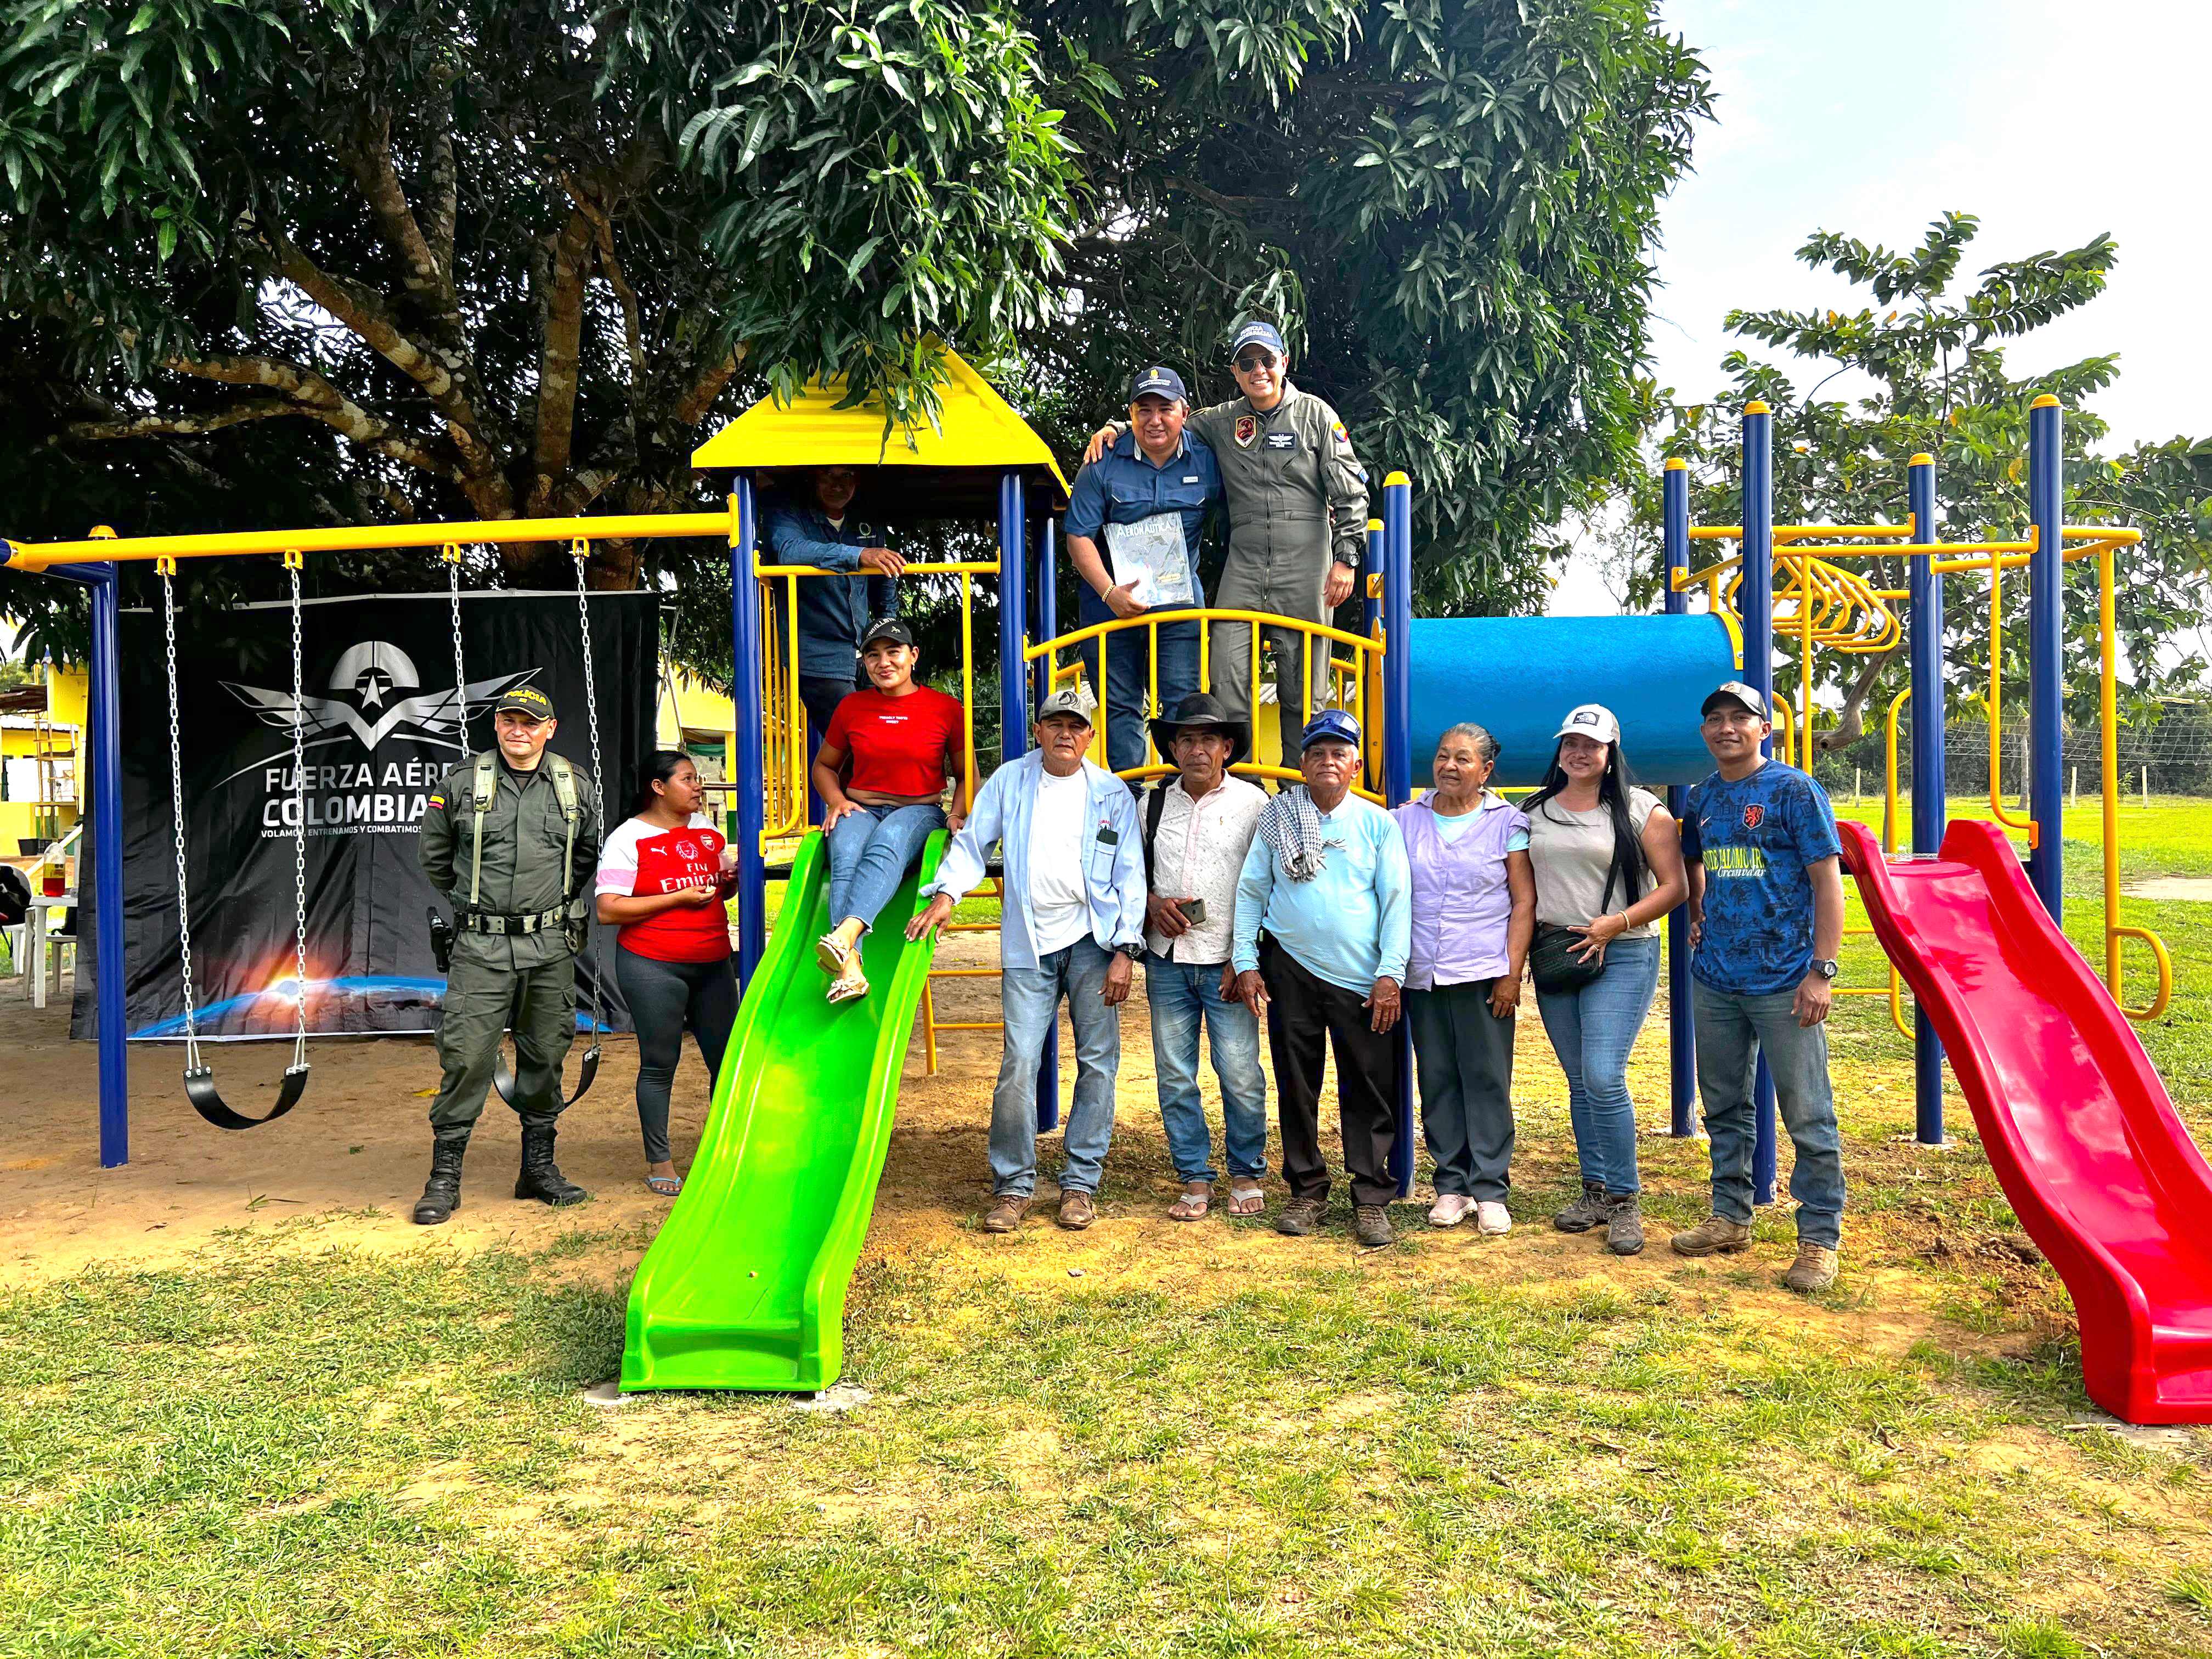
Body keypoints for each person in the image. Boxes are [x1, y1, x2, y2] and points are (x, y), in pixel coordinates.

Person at [907, 687, 1148, 1233]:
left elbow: (1130, 876)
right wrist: (947, 895)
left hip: (1094, 941)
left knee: (1099, 1061)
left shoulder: (1112, 794)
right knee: (1019, 1062)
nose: (1066, 733)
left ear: (1090, 737)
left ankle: (1080, 1184)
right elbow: (972, 847)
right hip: (1029, 943)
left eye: (1077, 726)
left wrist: (1125, 950)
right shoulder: (1010, 781)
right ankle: (1013, 1185)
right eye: (1055, 723)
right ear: (1038, 732)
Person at [1084, 320, 1369, 764]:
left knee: (1303, 681)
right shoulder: (1223, 420)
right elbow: (1166, 422)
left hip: (1307, 556)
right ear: (1235, 372)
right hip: (1247, 557)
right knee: (1227, 667)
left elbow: (1350, 491)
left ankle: (1300, 782)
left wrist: (1346, 558)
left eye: (1267, 360)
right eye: (1247, 363)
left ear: (1284, 364)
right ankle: (1240, 781)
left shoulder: (1317, 415)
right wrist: (1117, 427)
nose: (1259, 370)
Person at [1672, 681, 1848, 1293]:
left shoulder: (1795, 791)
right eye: (1715, 719)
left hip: (1785, 979)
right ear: (1704, 733)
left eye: (1740, 719)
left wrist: (1821, 970)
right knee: (1723, 1106)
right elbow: (1693, 858)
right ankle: (1731, 1217)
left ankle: (1819, 1238)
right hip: (1716, 979)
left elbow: (1828, 882)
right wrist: (1697, 909)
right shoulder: (1702, 798)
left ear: (1764, 729)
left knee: (1807, 1113)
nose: (1727, 728)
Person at [413, 684, 600, 1225]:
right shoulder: (462, 783)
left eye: (530, 722)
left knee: (545, 1056)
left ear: (550, 729)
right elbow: (436, 858)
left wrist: (547, 906)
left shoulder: (572, 787)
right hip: (481, 946)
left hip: (550, 948)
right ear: (496, 727)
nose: (518, 730)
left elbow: (585, 856)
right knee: (468, 1058)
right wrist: (479, 908)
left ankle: (538, 1169)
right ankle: (444, 1178)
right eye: (508, 721)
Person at [1231, 709, 1410, 1247]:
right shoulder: (1279, 818)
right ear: (1303, 764)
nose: (1328, 761)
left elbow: (1398, 902)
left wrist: (1390, 975)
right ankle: (1307, 1189)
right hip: (1291, 968)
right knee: (1296, 1083)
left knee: (1369, 1086)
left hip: (1363, 979)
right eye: (1317, 753)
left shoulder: (1378, 824)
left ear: (1356, 764)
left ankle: (1371, 1196)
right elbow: (1250, 893)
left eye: (1339, 752)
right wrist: (1245, 961)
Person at [1522, 704, 1689, 1257]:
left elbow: (1675, 887)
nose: (1579, 752)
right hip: (1557, 955)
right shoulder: (1534, 811)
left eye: (1591, 745)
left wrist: (1614, 925)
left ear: (1611, 751)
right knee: (1578, 1078)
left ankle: (1623, 1198)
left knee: (1602, 1074)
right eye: (1570, 742)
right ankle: (1593, 1190)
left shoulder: (1644, 810)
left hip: (1623, 951)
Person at [1393, 724, 1534, 1237]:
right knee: (1437, 1078)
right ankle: (1450, 1186)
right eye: (1442, 755)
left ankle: (1491, 1188)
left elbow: (1524, 902)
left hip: (1482, 973)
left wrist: (1511, 974)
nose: (1449, 766)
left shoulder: (1507, 823)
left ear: (1486, 769)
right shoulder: (1404, 820)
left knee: (1487, 1078)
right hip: (1422, 972)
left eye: (1464, 759)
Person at [1139, 692, 1269, 1221]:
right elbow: (1128, 873)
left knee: (1238, 1070)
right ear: (1173, 748)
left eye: (1208, 739)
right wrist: (1150, 904)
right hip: (1167, 959)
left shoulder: (1257, 805)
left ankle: (1246, 1172)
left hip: (1228, 964)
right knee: (1174, 1074)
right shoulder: (1148, 803)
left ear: (1227, 747)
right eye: (1187, 739)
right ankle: (1193, 1176)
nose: (1197, 749)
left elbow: (1268, 887)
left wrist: (1245, 959)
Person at [1063, 365, 1224, 772]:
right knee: (1119, 704)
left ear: (1184, 413)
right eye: (1143, 409)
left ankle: (1178, 798)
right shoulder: (1101, 461)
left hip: (1179, 606)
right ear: (1130, 414)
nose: (1155, 420)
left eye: (1165, 409)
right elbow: (1078, 537)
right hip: (1109, 605)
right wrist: (1108, 594)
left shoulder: (1209, 461)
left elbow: (1252, 496)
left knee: (1184, 704)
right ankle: (1129, 798)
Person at [595, 752, 740, 1197]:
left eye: (699, 779)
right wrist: (676, 898)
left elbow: (718, 892)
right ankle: (660, 1161)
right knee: (660, 1064)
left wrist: (730, 879)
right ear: (659, 787)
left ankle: (724, 1152)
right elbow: (607, 910)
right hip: (653, 964)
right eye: (689, 779)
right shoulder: (629, 838)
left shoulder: (708, 832)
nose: (699, 787)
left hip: (714, 962)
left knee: (728, 1063)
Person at [812, 617, 969, 1003]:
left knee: (889, 842)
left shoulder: (946, 709)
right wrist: (836, 800)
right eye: (872, 655)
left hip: (918, 811)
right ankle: (851, 969)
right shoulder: (853, 707)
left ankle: (845, 935)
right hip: (861, 806)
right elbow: (824, 766)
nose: (883, 662)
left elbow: (966, 775)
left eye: (893, 652)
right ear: (864, 663)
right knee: (846, 855)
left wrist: (957, 814)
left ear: (913, 656)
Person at [760, 465, 905, 733]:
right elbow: (790, 551)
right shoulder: (788, 510)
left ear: (857, 479)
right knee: (857, 739)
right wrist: (858, 555)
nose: (837, 485)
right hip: (820, 656)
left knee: (884, 736)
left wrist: (888, 631)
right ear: (812, 477)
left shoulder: (865, 516)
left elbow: (885, 579)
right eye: (828, 474)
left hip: (865, 651)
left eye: (847, 475)